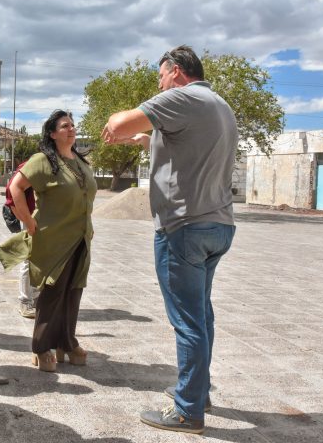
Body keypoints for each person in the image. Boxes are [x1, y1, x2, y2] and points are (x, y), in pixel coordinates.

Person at [101, 45, 237, 435]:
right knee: (202, 314)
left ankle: (187, 410)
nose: (159, 84)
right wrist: (145, 141)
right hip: (217, 225)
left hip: (184, 227)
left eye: (160, 76)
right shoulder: (218, 105)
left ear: (175, 71)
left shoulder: (181, 96)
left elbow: (120, 123)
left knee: (188, 321)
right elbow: (184, 148)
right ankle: (198, 389)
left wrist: (118, 122)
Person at [0, 110, 97, 373]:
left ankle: (67, 343)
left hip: (80, 239)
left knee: (73, 292)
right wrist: (28, 222)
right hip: (54, 240)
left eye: (73, 125)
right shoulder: (43, 161)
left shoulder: (80, 161)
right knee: (52, 295)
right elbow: (15, 187)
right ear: (52, 134)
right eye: (65, 126)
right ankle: (41, 347)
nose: (71, 129)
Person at [3, 161, 39, 318]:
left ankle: (37, 299)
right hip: (33, 218)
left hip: (45, 219)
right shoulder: (36, 163)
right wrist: (27, 220)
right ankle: (25, 301)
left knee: (41, 261)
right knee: (29, 260)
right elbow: (12, 193)